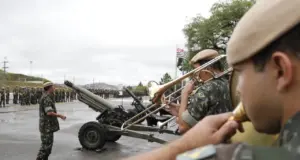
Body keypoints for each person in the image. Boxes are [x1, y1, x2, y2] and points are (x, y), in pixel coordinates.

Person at [123, 0, 300, 159]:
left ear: (281, 70)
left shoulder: (234, 155)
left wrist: (183, 143)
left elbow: (184, 126)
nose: (237, 90)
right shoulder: (224, 84)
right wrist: (178, 110)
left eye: (241, 73)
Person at [166, 49, 232, 133]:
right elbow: (198, 116)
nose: (196, 75)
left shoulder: (207, 89)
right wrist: (176, 110)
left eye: (196, 71)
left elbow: (183, 127)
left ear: (207, 68)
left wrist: (184, 94)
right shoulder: (229, 83)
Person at [36, 82, 66, 160]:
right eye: (53, 87)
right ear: (49, 88)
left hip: (47, 126)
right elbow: (49, 112)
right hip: (46, 126)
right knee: (45, 148)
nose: (54, 88)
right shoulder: (46, 98)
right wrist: (60, 116)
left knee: (47, 148)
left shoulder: (48, 96)